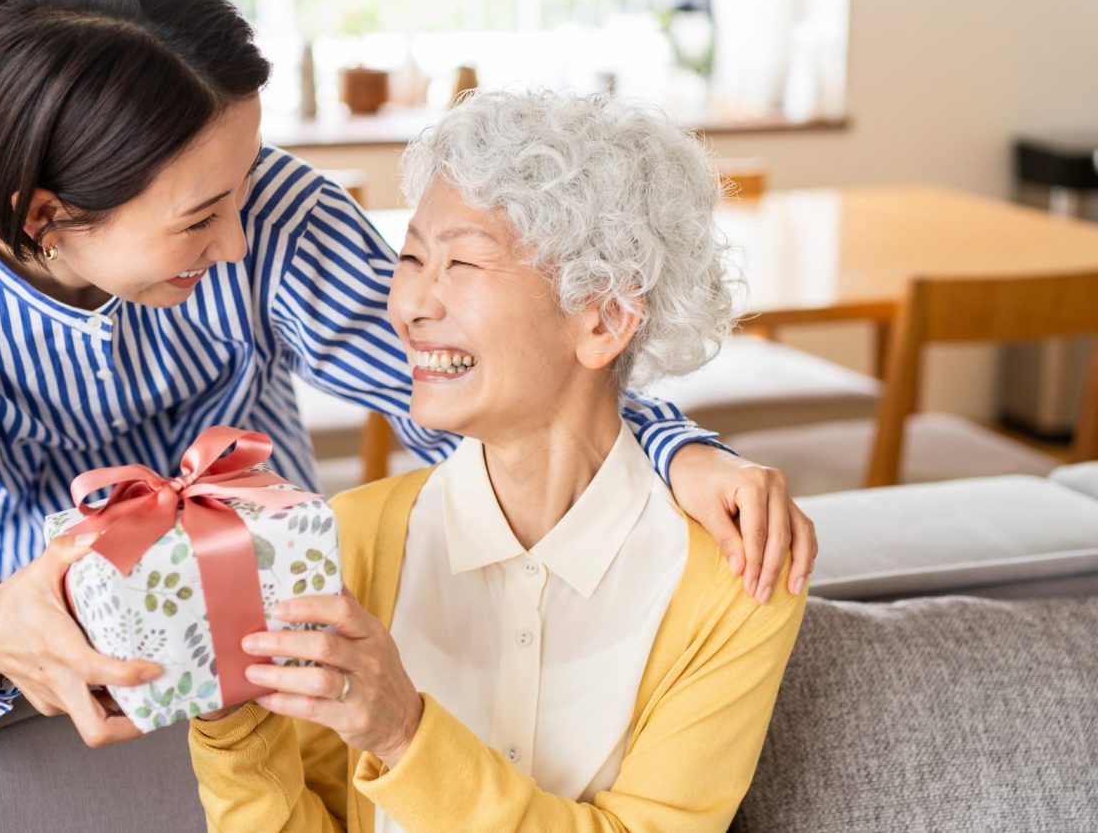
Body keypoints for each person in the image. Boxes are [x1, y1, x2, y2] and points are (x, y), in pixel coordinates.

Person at [0, 0, 813, 759]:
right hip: (45, 680)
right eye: (198, 219)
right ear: (46, 216)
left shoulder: (271, 211)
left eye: (244, 184)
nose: (237, 242)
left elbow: (478, 392)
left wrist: (672, 450)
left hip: (286, 625)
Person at [189, 90, 807, 831]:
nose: (409, 303)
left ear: (606, 316)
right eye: (411, 257)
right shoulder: (344, 540)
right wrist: (229, 729)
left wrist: (404, 734)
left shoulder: (737, 576)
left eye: (461, 261)